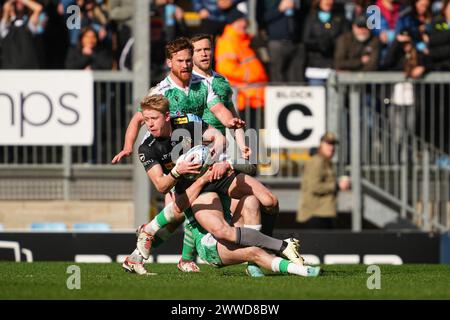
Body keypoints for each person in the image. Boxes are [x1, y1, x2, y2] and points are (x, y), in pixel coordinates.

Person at [122, 94, 303, 274]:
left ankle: (269, 249)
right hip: (194, 188)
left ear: (167, 116)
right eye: (146, 120)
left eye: (154, 118)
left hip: (216, 172)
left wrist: (212, 159)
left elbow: (220, 138)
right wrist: (178, 171)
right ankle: (144, 254)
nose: (150, 124)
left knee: (269, 200)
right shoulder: (147, 148)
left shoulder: (186, 123)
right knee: (192, 223)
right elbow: (161, 186)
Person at [111, 37, 244, 164]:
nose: (185, 65)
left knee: (221, 144)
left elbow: (218, 109)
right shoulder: (161, 92)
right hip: (165, 150)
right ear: (169, 62)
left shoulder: (203, 85)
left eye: (188, 60)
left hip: (190, 142)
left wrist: (229, 121)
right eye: (180, 61)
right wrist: (128, 147)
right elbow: (137, 119)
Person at [215, 8, 268, 129]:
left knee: (254, 134)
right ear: (233, 23)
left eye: (244, 21)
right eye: (241, 21)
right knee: (247, 135)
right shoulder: (228, 41)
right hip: (242, 98)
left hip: (252, 97)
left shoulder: (242, 41)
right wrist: (249, 75)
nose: (245, 24)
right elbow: (225, 68)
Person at [297, 132, 350, 229]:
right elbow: (314, 186)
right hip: (316, 214)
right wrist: (337, 186)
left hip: (324, 213)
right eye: (328, 143)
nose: (332, 147)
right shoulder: (317, 161)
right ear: (321, 144)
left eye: (333, 144)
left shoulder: (325, 162)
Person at [0, 0, 44, 69]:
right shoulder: (5, 28)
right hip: (10, 71)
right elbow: (6, 9)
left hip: (29, 71)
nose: (19, 3)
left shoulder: (29, 25)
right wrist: (10, 4)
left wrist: (23, 1)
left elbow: (38, 8)